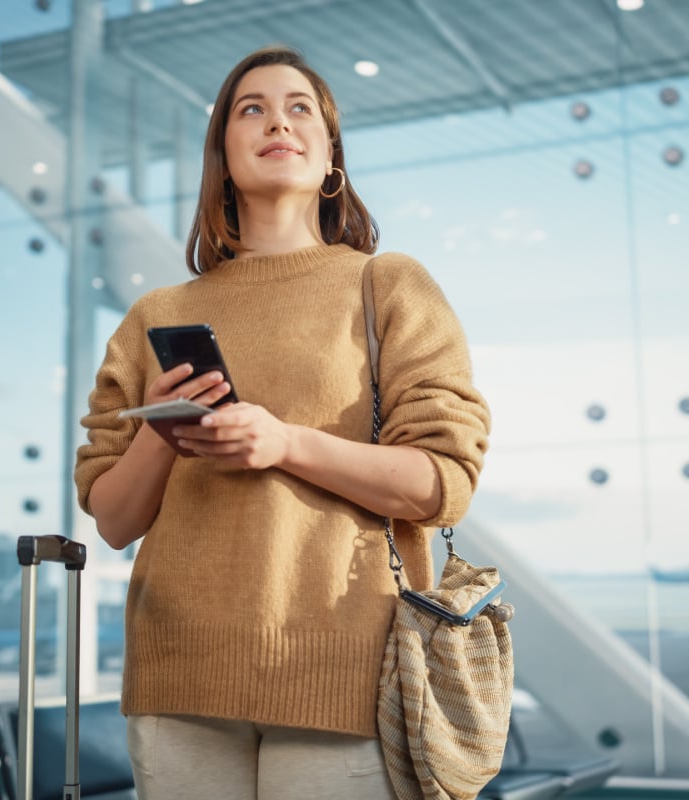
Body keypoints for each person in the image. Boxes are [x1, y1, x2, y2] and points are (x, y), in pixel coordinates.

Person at [74, 45, 490, 800]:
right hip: (178, 676)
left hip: (346, 672)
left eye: (301, 108)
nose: (278, 122)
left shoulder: (385, 284)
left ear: (331, 156)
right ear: (223, 157)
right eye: (251, 109)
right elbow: (112, 519)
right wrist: (162, 431)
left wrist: (284, 442)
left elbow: (443, 483)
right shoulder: (157, 316)